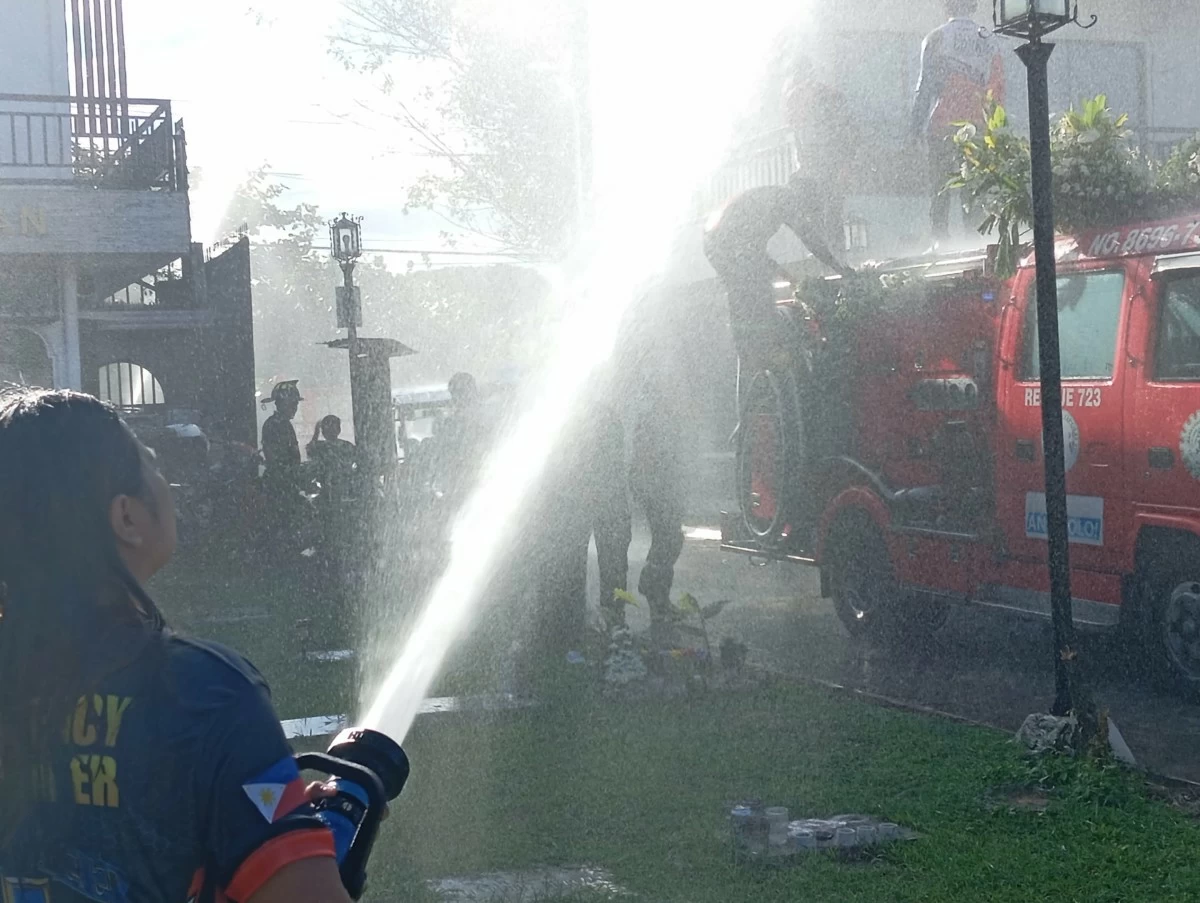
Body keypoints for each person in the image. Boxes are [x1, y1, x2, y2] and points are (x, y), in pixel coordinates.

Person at [0, 389, 352, 903]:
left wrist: (259, 802)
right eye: (154, 466)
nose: (167, 486)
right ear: (125, 519)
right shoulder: (206, 696)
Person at [911, 0, 1007, 246]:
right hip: (978, 126)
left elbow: (925, 88)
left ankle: (940, 242)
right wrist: (994, 128)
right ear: (973, 6)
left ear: (946, 7)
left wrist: (914, 128)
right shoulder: (988, 39)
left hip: (943, 124)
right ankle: (974, 241)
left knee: (940, 186)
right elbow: (997, 87)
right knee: (973, 188)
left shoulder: (936, 37)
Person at [781, 54, 860, 255]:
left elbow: (796, 132)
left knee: (816, 211)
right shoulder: (830, 94)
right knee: (833, 209)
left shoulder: (795, 97)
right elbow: (848, 129)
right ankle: (836, 255)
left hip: (814, 161)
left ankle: (823, 254)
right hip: (831, 159)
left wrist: (802, 162)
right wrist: (847, 161)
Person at [260, 379, 306, 551]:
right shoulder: (275, 425)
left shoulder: (284, 424)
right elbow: (274, 457)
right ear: (280, 403)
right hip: (280, 485)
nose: (295, 407)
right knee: (281, 527)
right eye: (291, 403)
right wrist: (288, 475)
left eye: (295, 403)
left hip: (286, 482)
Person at [306, 414, 358, 507]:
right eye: (327, 428)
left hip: (343, 487)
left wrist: (316, 432)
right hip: (330, 489)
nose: (331, 431)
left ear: (338, 429)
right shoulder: (322, 446)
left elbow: (310, 450)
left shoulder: (346, 446)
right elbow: (310, 451)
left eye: (333, 427)